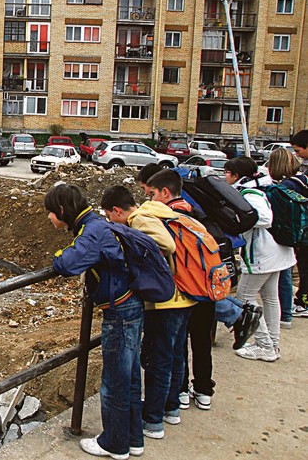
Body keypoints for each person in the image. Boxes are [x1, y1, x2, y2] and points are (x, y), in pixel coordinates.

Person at [143, 169, 258, 410]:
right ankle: (204, 390)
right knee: (202, 341)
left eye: (151, 194)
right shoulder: (198, 211)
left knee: (179, 343)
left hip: (185, 287)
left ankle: (181, 390)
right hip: (208, 284)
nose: (149, 199)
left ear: (165, 192)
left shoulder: (168, 217)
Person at [46, 184, 143, 459]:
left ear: (62, 210)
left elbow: (66, 263)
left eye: (50, 213)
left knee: (114, 381)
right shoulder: (98, 224)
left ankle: (114, 444)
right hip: (130, 305)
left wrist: (56, 256)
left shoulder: (92, 231)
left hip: (120, 313)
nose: (49, 219)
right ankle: (133, 439)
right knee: (130, 377)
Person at [100, 186, 190, 440]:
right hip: (181, 293)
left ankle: (153, 420)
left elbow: (166, 245)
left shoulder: (138, 220)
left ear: (116, 211)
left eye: (110, 216)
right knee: (174, 354)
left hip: (166, 300)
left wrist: (134, 245)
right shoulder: (159, 212)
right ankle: (171, 408)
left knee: (158, 359)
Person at [225, 157, 296, 361]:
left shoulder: (250, 193)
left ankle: (264, 344)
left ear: (236, 175)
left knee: (244, 298)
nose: (225, 176)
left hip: (262, 254)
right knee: (270, 298)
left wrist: (238, 220)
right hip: (278, 251)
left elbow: (265, 218)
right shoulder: (263, 186)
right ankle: (272, 344)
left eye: (227, 173)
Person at [267, 148, 308, 324]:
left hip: (290, 235)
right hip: (303, 231)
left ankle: (294, 308)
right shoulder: (303, 180)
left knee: (290, 272)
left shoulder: (282, 188)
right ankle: (293, 308)